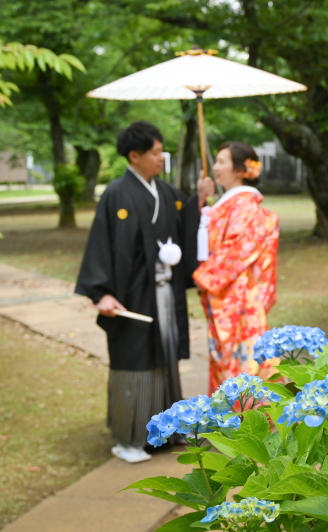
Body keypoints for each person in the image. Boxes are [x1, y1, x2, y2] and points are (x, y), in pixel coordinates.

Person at [75, 121, 199, 463]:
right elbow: (101, 244)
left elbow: (187, 222)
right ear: (135, 155)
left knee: (165, 358)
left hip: (164, 291)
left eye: (161, 151)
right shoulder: (116, 193)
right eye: (156, 152)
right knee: (134, 361)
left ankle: (167, 431)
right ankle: (129, 438)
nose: (162, 158)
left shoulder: (167, 192)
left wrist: (199, 198)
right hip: (130, 296)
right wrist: (101, 293)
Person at [193, 142, 280, 394]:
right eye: (216, 161)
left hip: (238, 297)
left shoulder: (244, 205)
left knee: (242, 365)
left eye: (222, 161)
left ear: (241, 169)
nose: (215, 167)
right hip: (229, 292)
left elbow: (238, 249)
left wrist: (205, 277)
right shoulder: (231, 203)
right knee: (230, 361)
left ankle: (248, 426)